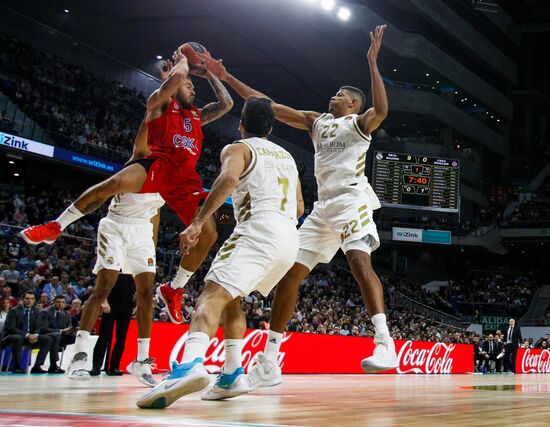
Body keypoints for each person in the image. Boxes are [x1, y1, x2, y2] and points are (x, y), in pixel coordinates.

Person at [215, 25, 397, 386]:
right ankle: (269, 361)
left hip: (351, 199)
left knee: (359, 260)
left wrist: (373, 62)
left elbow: (383, 109)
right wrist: (226, 76)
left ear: (353, 105)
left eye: (341, 94)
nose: (334, 95)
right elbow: (266, 105)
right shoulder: (317, 122)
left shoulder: (359, 124)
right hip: (323, 207)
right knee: (290, 276)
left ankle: (384, 342)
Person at [20, 46, 234, 325]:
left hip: (183, 180)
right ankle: (56, 227)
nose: (192, 90)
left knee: (209, 233)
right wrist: (182, 64)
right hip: (159, 165)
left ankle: (175, 287)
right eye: (189, 85)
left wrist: (210, 75)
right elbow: (171, 85)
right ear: (176, 83)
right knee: (112, 184)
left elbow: (226, 104)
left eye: (193, 86)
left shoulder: (195, 116)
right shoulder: (160, 103)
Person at [136, 97, 303, 408]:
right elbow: (300, 206)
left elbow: (228, 179)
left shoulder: (238, 149)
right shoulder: (288, 157)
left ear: (241, 124)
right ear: (271, 126)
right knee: (231, 298)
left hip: (258, 230)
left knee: (210, 295)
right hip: (288, 237)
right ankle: (231, 374)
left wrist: (199, 221)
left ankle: (188, 365)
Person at [66, 189, 164, 386]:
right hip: (117, 225)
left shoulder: (172, 174)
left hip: (142, 232)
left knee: (146, 292)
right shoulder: (143, 161)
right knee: (102, 288)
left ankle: (141, 362)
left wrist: (150, 248)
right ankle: (79, 357)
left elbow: (156, 212)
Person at [90, 274, 135, 378]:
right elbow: (103, 282)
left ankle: (114, 367)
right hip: (112, 299)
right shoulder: (115, 265)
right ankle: (96, 366)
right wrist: (104, 301)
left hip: (127, 301)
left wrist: (137, 304)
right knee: (104, 336)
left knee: (121, 338)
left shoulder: (133, 267)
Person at [0, 291, 55, 373]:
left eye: (32, 299)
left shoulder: (36, 311)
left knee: (48, 339)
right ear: (23, 299)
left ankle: (37, 366)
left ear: (34, 300)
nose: (30, 301)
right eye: (27, 298)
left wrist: (36, 335)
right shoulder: (14, 311)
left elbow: (39, 326)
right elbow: (10, 328)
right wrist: (27, 335)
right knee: (18, 338)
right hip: (10, 336)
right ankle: (17, 367)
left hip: (29, 337)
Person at [39, 295, 76, 373]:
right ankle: (53, 365)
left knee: (74, 337)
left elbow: (69, 327)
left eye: (63, 302)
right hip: (47, 335)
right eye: (58, 302)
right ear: (53, 302)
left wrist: (71, 330)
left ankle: (76, 364)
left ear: (65, 304)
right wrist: (61, 331)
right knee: (56, 336)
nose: (60, 304)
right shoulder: (45, 312)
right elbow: (43, 328)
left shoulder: (67, 314)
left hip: (60, 336)